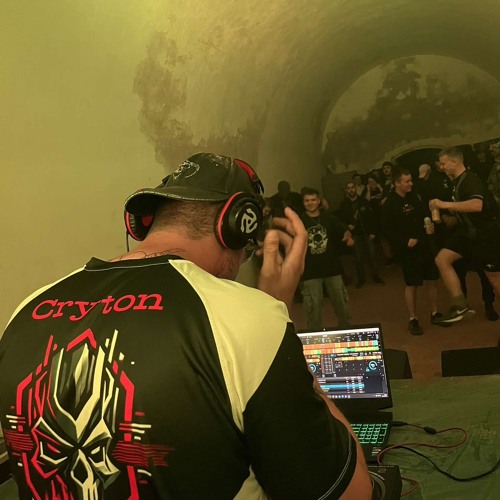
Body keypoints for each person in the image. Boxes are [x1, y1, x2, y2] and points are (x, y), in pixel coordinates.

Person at [0, 153, 371, 499]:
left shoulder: (25, 310)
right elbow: (352, 492)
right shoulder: (250, 319)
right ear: (237, 226)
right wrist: (277, 317)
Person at [430, 146, 500, 324]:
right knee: (442, 259)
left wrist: (444, 204)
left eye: (444, 164)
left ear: (454, 162)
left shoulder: (470, 179)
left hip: (486, 235)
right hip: (468, 233)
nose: (441, 167)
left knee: (494, 279)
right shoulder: (456, 182)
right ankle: (459, 304)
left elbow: (477, 205)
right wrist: (453, 217)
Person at [382, 168, 445, 335]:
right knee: (412, 284)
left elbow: (425, 215)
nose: (411, 184)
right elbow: (387, 230)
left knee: (432, 279)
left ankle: (435, 313)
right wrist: (404, 242)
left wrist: (429, 226)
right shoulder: (390, 204)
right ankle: (413, 319)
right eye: (407, 181)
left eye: (411, 180)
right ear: (397, 183)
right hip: (408, 250)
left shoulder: (415, 196)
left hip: (424, 244)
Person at [300, 187, 354, 329]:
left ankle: (347, 332)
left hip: (332, 268)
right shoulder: (299, 222)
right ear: (303, 202)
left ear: (319, 201)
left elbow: (344, 230)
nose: (310, 203)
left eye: (313, 200)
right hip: (310, 271)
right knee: (314, 309)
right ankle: (314, 336)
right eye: (307, 200)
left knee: (341, 305)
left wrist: (347, 236)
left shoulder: (329, 219)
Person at [338, 181, 385, 288]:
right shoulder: (343, 205)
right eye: (349, 188)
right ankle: (362, 279)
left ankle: (375, 276)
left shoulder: (363, 201)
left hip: (367, 233)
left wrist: (373, 232)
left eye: (352, 187)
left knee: (372, 256)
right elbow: (341, 220)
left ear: (355, 188)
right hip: (354, 235)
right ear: (346, 190)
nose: (351, 190)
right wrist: (348, 225)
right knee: (358, 258)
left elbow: (372, 218)